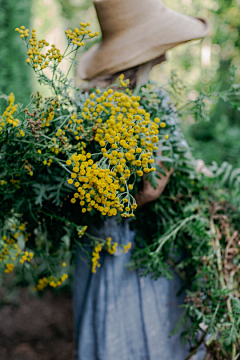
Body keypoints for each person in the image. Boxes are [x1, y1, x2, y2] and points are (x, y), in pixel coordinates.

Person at [73, 1, 210, 359]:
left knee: (108, 335)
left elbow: (75, 196)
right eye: (159, 48)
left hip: (96, 252)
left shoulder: (82, 107)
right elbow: (151, 188)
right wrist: (142, 198)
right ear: (143, 53)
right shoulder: (153, 103)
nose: (164, 58)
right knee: (153, 339)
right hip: (139, 252)